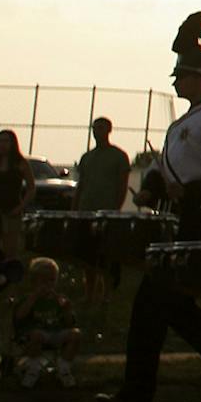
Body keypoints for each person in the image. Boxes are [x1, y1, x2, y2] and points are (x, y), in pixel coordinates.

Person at [97, 15, 201, 402]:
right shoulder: (182, 125)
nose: (176, 82)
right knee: (177, 311)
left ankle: (137, 392)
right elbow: (167, 169)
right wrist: (151, 186)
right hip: (169, 222)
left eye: (181, 75)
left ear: (200, 78)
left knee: (150, 306)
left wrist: (189, 192)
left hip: (190, 221)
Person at [72, 117, 131, 308]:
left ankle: (106, 294)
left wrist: (116, 208)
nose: (97, 131)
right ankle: (89, 293)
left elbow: (122, 185)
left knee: (106, 254)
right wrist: (75, 208)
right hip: (85, 211)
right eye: (95, 128)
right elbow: (81, 185)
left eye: (101, 128)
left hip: (107, 212)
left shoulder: (119, 156)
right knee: (86, 255)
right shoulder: (87, 157)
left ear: (109, 130)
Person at [0, 129, 34, 372]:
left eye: (7, 141)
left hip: (11, 215)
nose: (3, 145)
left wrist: (19, 207)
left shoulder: (20, 164)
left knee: (10, 256)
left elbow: (31, 188)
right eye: (0, 141)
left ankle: (8, 282)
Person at [13, 257, 81, 388]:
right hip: (37, 335)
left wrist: (67, 310)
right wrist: (34, 297)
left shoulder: (58, 300)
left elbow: (70, 322)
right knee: (36, 335)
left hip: (56, 332)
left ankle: (64, 366)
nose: (48, 284)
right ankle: (33, 366)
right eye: (43, 281)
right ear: (34, 282)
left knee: (75, 334)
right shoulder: (29, 299)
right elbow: (19, 316)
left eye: (52, 280)